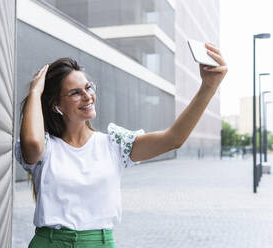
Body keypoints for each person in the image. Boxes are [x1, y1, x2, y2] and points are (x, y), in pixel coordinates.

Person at [15, 44, 227, 248]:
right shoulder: (46, 148)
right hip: (49, 242)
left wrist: (208, 86)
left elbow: (173, 139)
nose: (88, 96)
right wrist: (36, 91)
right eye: (75, 93)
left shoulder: (115, 144)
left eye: (88, 87)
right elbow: (32, 143)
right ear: (56, 105)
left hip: (99, 243)